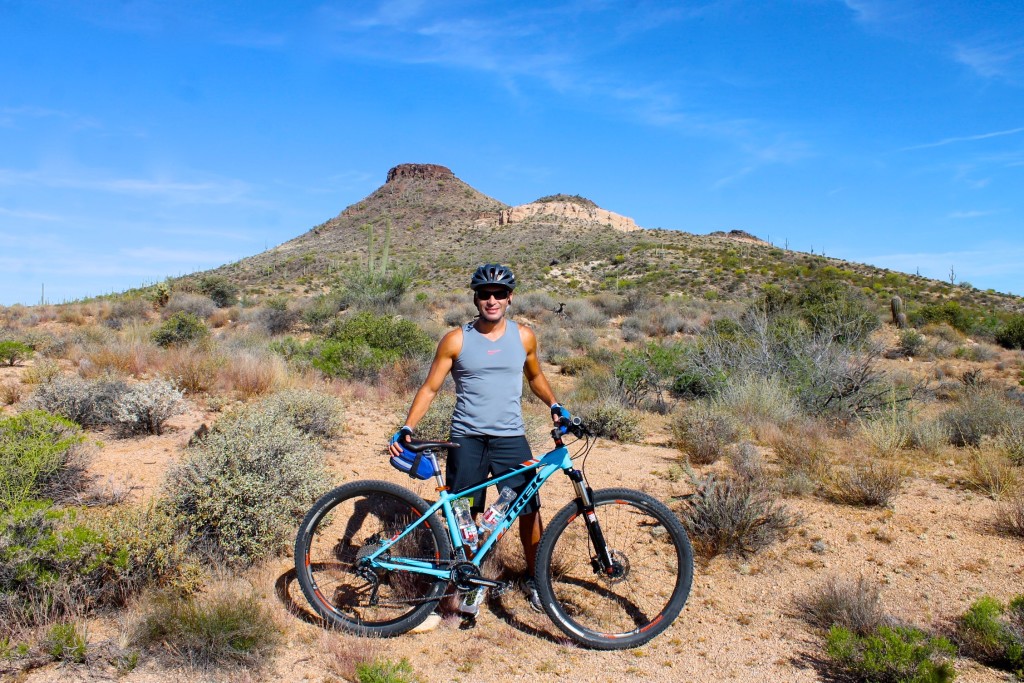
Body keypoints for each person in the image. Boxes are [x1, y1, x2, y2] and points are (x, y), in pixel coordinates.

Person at [388, 263, 569, 620]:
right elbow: (430, 388)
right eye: (484, 294)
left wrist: (555, 404)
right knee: (465, 513)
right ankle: (464, 582)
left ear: (509, 298)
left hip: (511, 438)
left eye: (499, 294)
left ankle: (535, 582)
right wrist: (406, 427)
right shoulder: (456, 339)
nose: (492, 300)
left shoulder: (524, 337)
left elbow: (535, 376)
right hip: (467, 439)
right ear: (475, 298)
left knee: (528, 510)